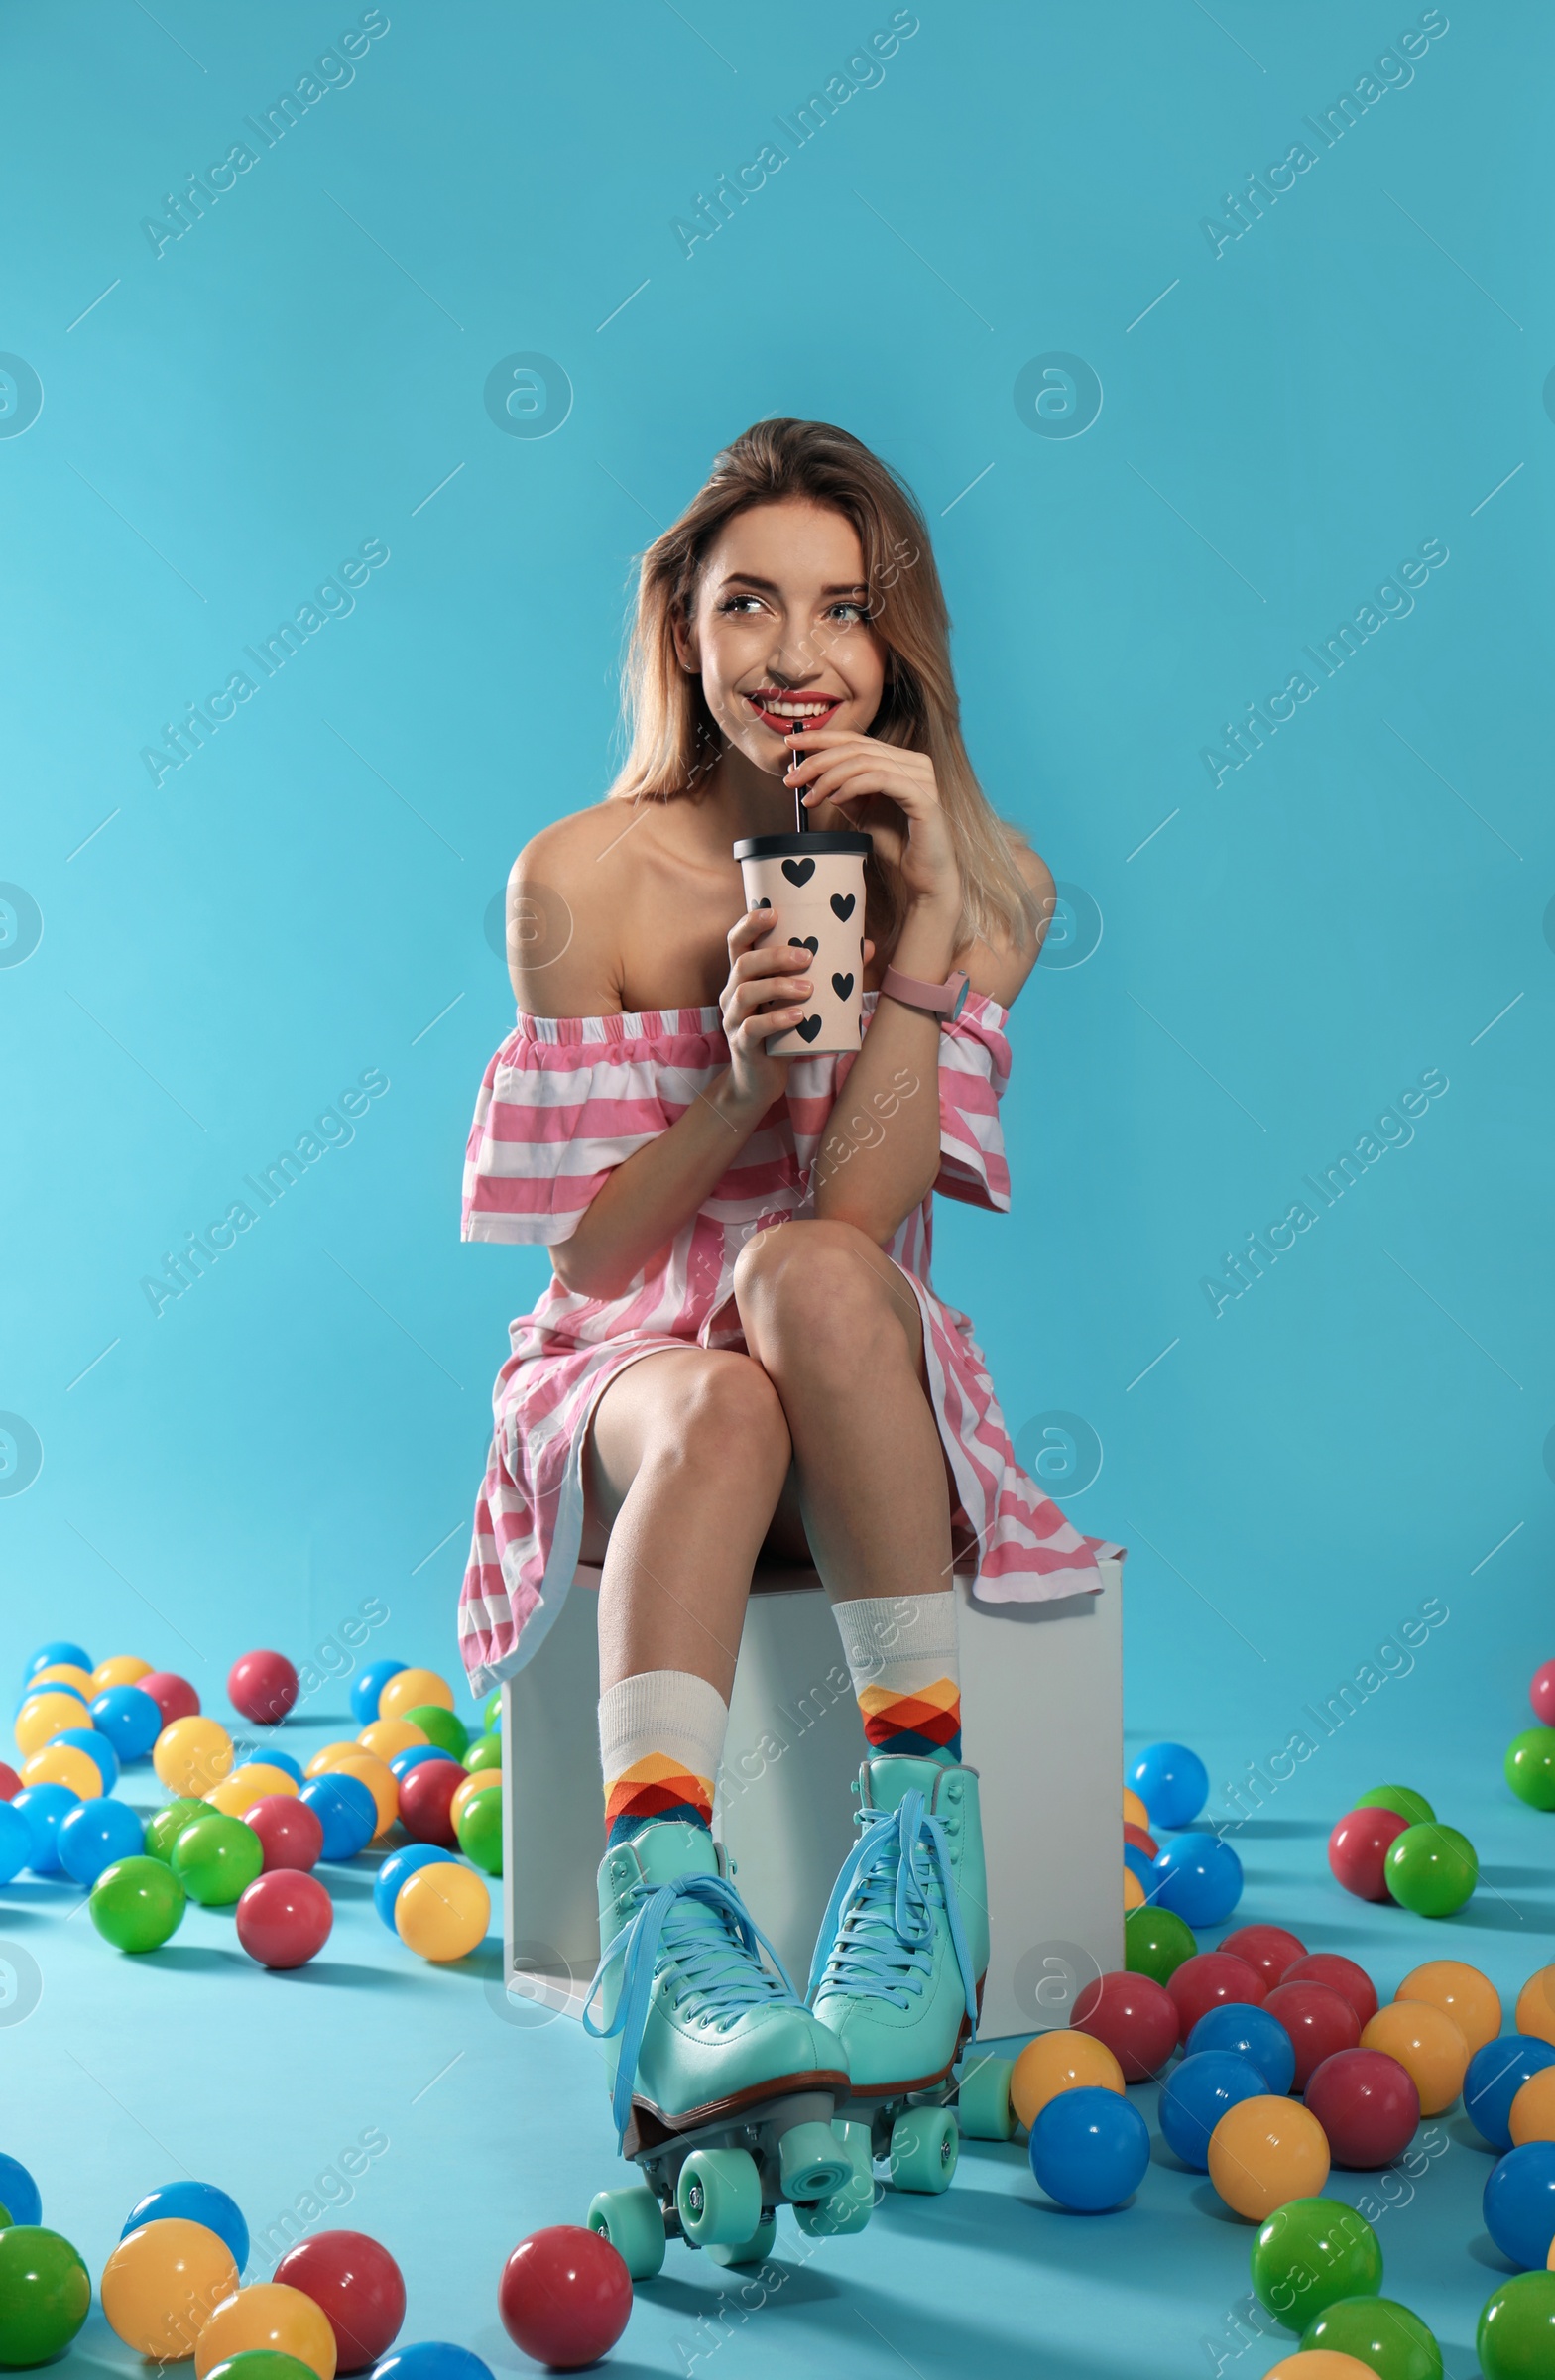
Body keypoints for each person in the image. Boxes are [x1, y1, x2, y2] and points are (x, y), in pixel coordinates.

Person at [457, 417, 1121, 2201]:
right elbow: (587, 1267)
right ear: (686, 629)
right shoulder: (583, 878)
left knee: (801, 1276)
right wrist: (740, 1090)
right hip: (627, 1378)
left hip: (837, 1338)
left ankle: (918, 1857)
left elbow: (848, 1229)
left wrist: (917, 942)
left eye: (844, 610)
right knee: (713, 1390)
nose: (798, 657)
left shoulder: (993, 889)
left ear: (898, 647)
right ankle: (670, 1917)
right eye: (751, 605)